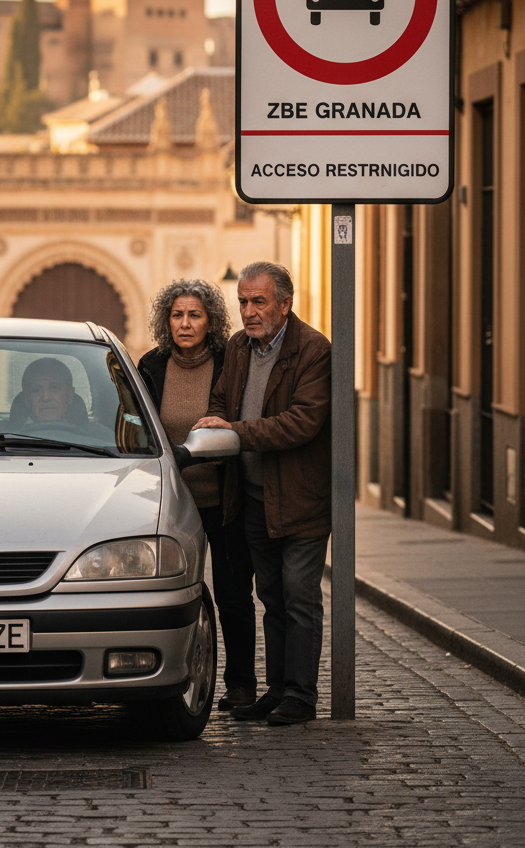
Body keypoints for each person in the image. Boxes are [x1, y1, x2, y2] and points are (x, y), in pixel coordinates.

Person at [194, 261, 331, 726]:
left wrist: (234, 430)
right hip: (251, 495)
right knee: (271, 595)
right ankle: (276, 690)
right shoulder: (237, 348)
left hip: (299, 497)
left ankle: (302, 695)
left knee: (299, 596)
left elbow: (302, 423)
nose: (249, 312)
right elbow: (220, 403)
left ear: (285, 304)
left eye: (259, 302)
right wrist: (212, 427)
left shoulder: (313, 351)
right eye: (243, 303)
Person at [137, 279, 258, 712]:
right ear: (165, 321)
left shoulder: (232, 362)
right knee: (168, 594)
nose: (185, 324)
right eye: (177, 315)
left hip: (222, 501)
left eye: (194, 315)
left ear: (210, 321)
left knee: (232, 596)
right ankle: (165, 676)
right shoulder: (149, 366)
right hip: (170, 505)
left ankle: (242, 686)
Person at [20, 357, 77, 424]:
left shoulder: (83, 434)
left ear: (70, 395)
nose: (46, 398)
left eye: (54, 388)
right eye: (36, 390)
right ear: (27, 398)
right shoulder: (10, 433)